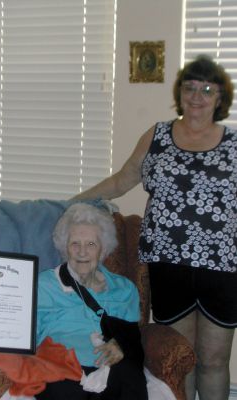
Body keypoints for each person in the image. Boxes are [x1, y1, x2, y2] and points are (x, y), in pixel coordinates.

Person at [72, 55, 237, 400]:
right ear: (180, 92)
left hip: (221, 269)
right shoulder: (158, 135)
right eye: (190, 87)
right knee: (179, 359)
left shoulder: (233, 143)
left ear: (220, 97)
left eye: (207, 89)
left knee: (214, 360)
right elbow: (121, 181)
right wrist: (72, 203)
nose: (197, 96)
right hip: (168, 266)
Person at [36, 203, 148, 400]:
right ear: (65, 247)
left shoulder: (125, 289)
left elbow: (133, 337)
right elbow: (25, 338)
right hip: (63, 370)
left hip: (113, 370)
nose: (82, 252)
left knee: (130, 381)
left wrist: (122, 345)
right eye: (75, 244)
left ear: (103, 249)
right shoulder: (44, 285)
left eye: (91, 244)